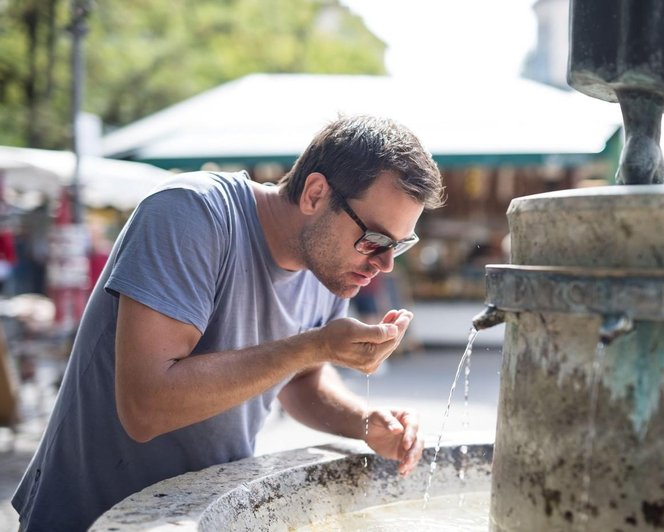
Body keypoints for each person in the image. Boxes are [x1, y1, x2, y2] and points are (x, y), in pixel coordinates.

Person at [12, 114, 445, 531]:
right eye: (375, 239)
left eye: (400, 245)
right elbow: (145, 407)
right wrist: (313, 345)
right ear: (315, 194)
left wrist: (368, 421)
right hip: (91, 518)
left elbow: (300, 383)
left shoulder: (326, 266)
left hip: (199, 516)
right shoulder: (192, 213)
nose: (385, 264)